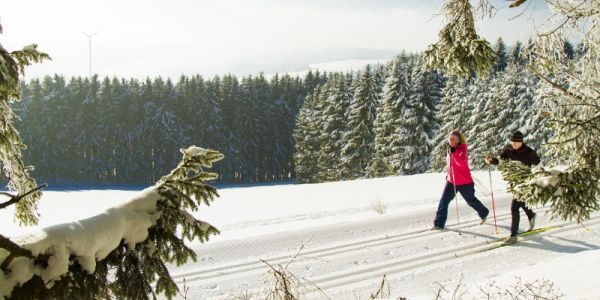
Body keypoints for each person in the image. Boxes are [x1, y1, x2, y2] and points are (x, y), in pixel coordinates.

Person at [485, 130, 540, 244]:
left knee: (514, 207)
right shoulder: (509, 149)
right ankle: (531, 215)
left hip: (525, 183)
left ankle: (513, 235)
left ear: (521, 142)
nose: (514, 144)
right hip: (514, 183)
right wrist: (491, 160)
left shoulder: (529, 152)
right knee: (521, 202)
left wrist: (537, 178)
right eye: (513, 141)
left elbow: (539, 165)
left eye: (516, 142)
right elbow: (501, 160)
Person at [433, 130, 489, 230]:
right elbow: (450, 164)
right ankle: (439, 224)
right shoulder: (449, 149)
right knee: (444, 201)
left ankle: (484, 212)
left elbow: (462, 162)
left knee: (471, 201)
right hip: (452, 181)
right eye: (450, 139)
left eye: (454, 139)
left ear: (459, 139)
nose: (452, 141)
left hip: (465, 182)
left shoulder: (462, 148)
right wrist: (448, 175)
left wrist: (454, 154)